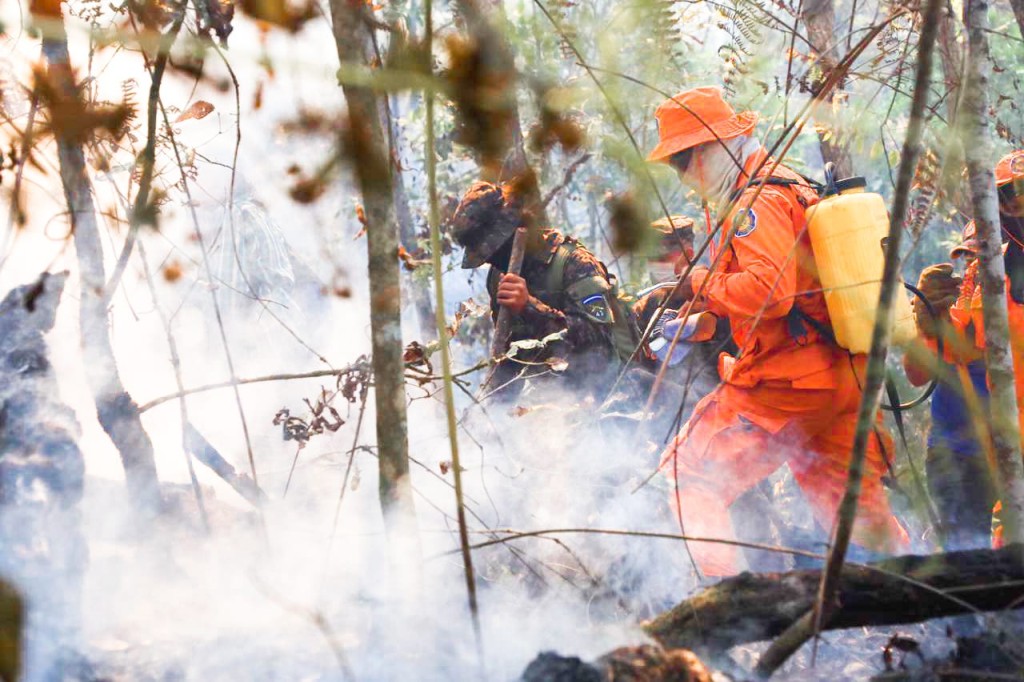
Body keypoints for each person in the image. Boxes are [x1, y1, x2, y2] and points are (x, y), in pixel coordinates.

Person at [648, 86, 908, 577]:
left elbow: (770, 292)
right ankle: (934, 613)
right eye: (674, 164)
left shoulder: (758, 199)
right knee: (855, 518)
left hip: (786, 385)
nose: (683, 174)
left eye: (685, 159)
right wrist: (703, 325)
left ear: (718, 146)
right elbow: (802, 295)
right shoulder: (792, 185)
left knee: (686, 476)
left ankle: (725, 605)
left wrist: (701, 282)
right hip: (840, 377)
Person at [450, 180, 636, 398]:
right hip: (547, 401)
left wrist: (529, 307)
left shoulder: (573, 264)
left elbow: (599, 346)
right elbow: (509, 354)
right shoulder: (498, 276)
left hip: (603, 395)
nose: (492, 261)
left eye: (494, 251)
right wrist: (495, 406)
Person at [903, 222, 994, 549]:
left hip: (1004, 453)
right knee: (964, 550)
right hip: (954, 454)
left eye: (980, 258)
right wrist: (926, 324)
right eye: (968, 258)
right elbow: (917, 374)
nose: (973, 267)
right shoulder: (954, 314)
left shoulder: (1011, 306)